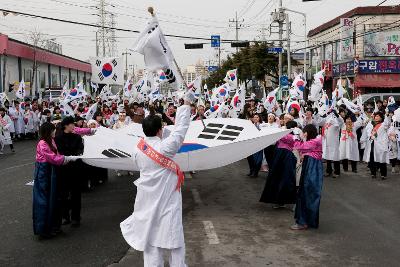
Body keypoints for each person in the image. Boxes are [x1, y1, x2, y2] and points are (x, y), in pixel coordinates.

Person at [120, 97, 191, 267]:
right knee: (174, 239)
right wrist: (185, 106)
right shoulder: (165, 148)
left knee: (150, 239)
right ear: (160, 130)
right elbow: (180, 130)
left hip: (147, 199)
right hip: (167, 200)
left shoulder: (137, 149)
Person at [33, 122, 76, 238]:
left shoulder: (51, 140)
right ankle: (45, 229)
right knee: (44, 200)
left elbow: (56, 155)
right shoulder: (42, 143)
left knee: (54, 199)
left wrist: (64, 158)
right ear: (48, 131)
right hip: (44, 172)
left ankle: (54, 226)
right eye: (53, 130)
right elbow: (52, 157)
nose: (54, 132)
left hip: (51, 171)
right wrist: (65, 158)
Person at [55, 117, 90, 227]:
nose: (73, 126)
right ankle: (65, 216)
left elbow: (81, 149)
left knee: (76, 194)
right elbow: (60, 152)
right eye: (71, 124)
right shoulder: (58, 138)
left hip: (75, 168)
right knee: (63, 194)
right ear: (65, 125)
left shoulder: (77, 137)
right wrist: (69, 155)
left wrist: (75, 154)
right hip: (63, 169)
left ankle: (76, 218)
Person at [291, 124, 323, 230]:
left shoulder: (315, 141)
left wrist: (295, 137)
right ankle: (306, 221)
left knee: (307, 194)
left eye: (305, 132)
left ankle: (304, 222)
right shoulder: (315, 140)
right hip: (311, 167)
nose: (303, 134)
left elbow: (301, 146)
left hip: (312, 168)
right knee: (306, 194)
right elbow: (305, 149)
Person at [260, 121, 298, 209]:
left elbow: (290, 140)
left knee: (284, 178)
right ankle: (278, 200)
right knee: (279, 177)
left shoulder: (291, 135)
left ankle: (281, 201)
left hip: (285, 156)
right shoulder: (288, 134)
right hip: (281, 155)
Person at [362, 112, 390, 179]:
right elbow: (369, 133)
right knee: (372, 159)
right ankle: (373, 173)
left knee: (382, 159)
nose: (376, 117)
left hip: (381, 145)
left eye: (377, 116)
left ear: (381, 117)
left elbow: (388, 123)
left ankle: (383, 174)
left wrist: (387, 115)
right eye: (375, 116)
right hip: (373, 144)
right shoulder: (372, 124)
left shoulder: (383, 125)